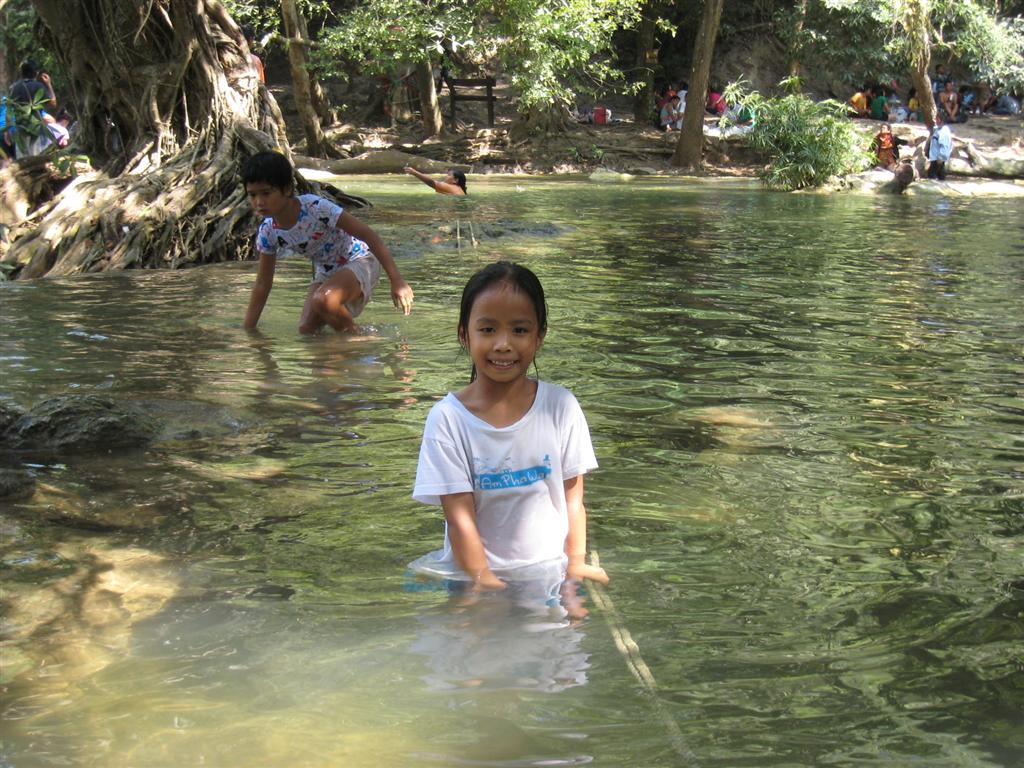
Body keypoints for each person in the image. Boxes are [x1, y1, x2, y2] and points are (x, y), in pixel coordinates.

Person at [409, 261, 609, 593]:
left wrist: (574, 565)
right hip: (474, 576)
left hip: (548, 575)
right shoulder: (448, 420)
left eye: (519, 330)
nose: (503, 344)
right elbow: (460, 520)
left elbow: (573, 501)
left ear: (539, 336)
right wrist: (484, 582)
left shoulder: (561, 407)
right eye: (488, 330)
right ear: (464, 334)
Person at [241, 150, 414, 333]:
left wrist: (397, 281)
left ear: (288, 189)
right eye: (252, 195)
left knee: (323, 299)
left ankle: (360, 340)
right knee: (307, 329)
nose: (259, 202)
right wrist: (248, 331)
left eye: (266, 193)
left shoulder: (316, 208)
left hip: (360, 259)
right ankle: (353, 342)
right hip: (327, 271)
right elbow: (262, 284)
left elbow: (368, 234)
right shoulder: (268, 232)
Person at [926, 113, 953, 180]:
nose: (936, 120)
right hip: (934, 157)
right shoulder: (938, 129)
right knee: (936, 175)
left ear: (941, 120)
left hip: (938, 158)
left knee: (934, 175)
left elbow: (945, 145)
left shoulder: (944, 131)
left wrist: (941, 157)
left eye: (937, 119)